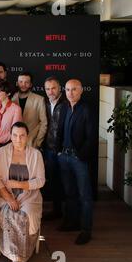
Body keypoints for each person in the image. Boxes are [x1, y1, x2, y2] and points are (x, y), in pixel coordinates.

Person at [0, 122, 45, 262]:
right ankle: (15, 259)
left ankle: (22, 255)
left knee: (25, 215)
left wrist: (19, 184)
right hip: (5, 194)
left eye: (22, 135)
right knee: (8, 213)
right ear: (10, 136)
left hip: (29, 195)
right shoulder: (2, 152)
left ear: (27, 136)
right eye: (14, 135)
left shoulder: (35, 154)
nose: (18, 139)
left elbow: (40, 181)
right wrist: (9, 198)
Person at [57, 79, 95, 245]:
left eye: (74, 90)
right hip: (64, 157)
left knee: (84, 196)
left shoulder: (87, 110)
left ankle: (86, 230)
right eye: (67, 90)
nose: (70, 93)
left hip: (78, 158)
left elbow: (91, 137)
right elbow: (59, 130)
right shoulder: (64, 107)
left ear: (80, 91)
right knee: (69, 193)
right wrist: (59, 151)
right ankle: (72, 223)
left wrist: (80, 155)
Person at [42, 77, 67, 220]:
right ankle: (57, 211)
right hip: (49, 149)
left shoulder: (66, 104)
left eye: (53, 88)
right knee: (54, 181)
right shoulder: (45, 103)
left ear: (59, 89)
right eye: (47, 89)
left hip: (63, 150)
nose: (50, 91)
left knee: (67, 182)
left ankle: (69, 215)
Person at [12, 72, 48, 148]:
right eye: (21, 82)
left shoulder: (39, 99)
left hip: (32, 143)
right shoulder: (11, 99)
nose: (23, 85)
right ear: (17, 83)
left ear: (31, 84)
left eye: (26, 82)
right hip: (14, 144)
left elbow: (44, 122)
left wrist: (38, 142)